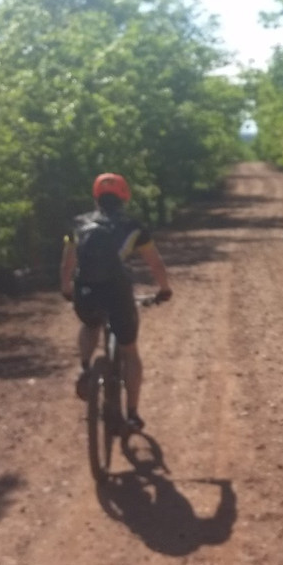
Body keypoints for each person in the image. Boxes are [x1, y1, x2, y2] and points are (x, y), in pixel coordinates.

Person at [60, 173, 173, 431]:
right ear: (124, 195)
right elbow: (154, 263)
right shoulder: (133, 227)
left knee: (90, 325)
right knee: (130, 351)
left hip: (86, 290)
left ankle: (86, 368)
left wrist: (67, 289)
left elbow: (68, 261)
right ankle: (132, 413)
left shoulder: (78, 224)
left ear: (96, 195)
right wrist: (164, 289)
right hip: (117, 292)